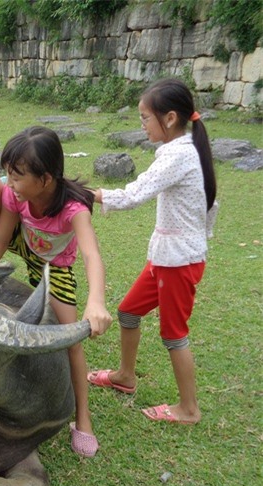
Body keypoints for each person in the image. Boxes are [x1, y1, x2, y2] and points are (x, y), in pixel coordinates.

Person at [0, 126, 113, 457]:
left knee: (71, 339)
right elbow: (1, 241)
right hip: (22, 243)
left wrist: (96, 301)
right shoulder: (18, 196)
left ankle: (83, 419)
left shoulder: (74, 210)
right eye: (8, 174)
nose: (10, 183)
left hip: (53, 266)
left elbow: (91, 255)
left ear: (45, 179)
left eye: (16, 176)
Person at [87, 78, 218, 426]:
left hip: (178, 261)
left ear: (170, 118)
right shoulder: (185, 150)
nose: (142, 125)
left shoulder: (180, 155)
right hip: (166, 256)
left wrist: (92, 195)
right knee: (129, 311)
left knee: (174, 333)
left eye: (145, 118)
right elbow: (212, 205)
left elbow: (135, 194)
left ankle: (188, 409)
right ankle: (125, 376)